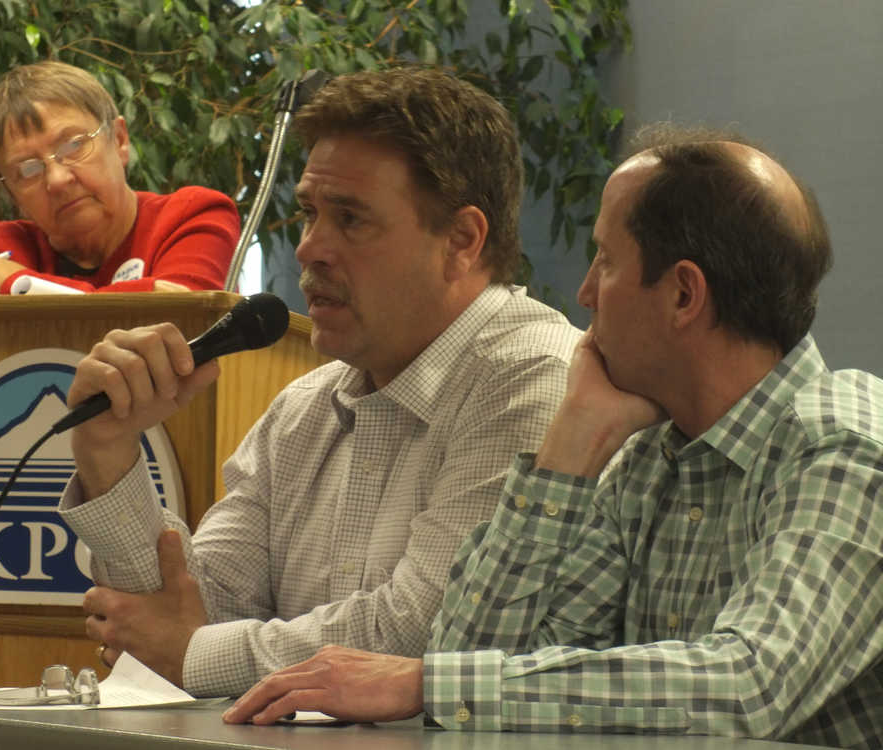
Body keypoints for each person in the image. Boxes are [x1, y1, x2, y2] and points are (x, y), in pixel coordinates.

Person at [223, 125, 883, 748]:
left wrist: (423, 682)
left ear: (684, 295)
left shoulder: (844, 446)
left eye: (606, 260)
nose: (585, 292)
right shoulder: (647, 453)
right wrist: (565, 454)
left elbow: (748, 684)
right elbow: (479, 655)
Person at [57, 67, 583, 698]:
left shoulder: (536, 380)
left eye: (351, 219)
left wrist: (194, 653)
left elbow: (428, 635)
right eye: (309, 213)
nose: (309, 249)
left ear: (462, 240)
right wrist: (109, 454)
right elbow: (186, 607)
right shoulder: (305, 405)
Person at [0, 60, 239, 294]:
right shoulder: (3, 250)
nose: (57, 179)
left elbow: (181, 321)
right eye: (28, 170)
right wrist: (148, 293)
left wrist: (17, 283)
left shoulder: (193, 216)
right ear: (12, 195)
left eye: (73, 145)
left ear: (119, 140)